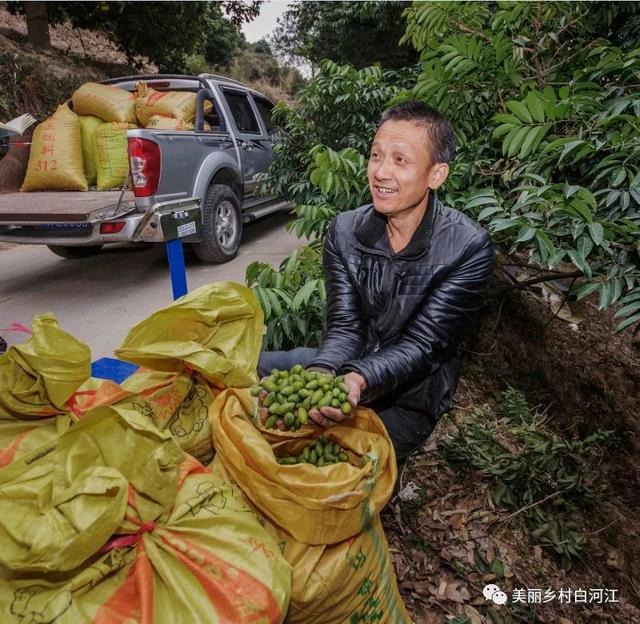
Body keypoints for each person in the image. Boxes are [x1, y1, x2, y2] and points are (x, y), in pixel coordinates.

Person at [258, 100, 495, 462]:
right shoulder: (345, 231)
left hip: (410, 396)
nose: (381, 172)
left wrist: (356, 381)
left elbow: (423, 345)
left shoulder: (467, 248)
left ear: (436, 175)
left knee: (331, 466)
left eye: (400, 160)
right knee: (247, 367)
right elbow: (344, 324)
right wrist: (323, 373)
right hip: (348, 363)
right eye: (376, 156)